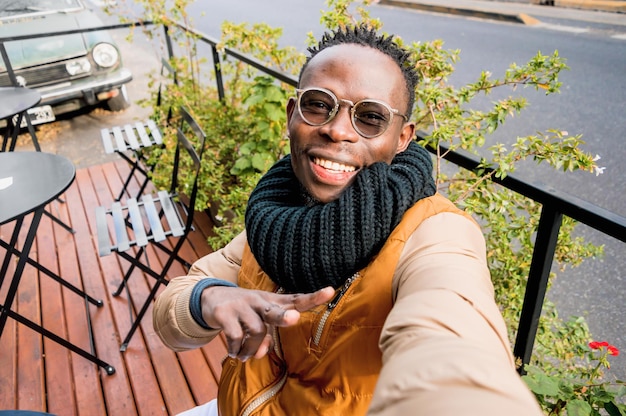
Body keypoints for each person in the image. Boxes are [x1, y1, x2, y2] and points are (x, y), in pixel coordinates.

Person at [152, 24, 543, 415]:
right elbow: (172, 312)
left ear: (402, 138)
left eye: (371, 117)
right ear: (292, 115)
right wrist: (209, 298)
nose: (337, 130)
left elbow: (453, 336)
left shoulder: (435, 233)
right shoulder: (277, 212)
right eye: (319, 104)